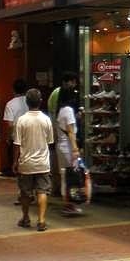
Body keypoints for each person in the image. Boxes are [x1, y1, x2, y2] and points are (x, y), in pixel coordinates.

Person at [13, 89, 54, 232]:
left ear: (26, 102)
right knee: (42, 191)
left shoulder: (21, 120)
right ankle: (42, 220)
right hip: (43, 163)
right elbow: (49, 142)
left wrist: (15, 161)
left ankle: (25, 218)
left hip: (26, 163)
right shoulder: (46, 119)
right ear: (41, 101)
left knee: (25, 193)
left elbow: (17, 144)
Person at [56, 86, 82, 215]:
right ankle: (71, 204)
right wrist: (75, 149)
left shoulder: (60, 111)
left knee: (64, 176)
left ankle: (67, 204)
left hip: (61, 146)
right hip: (68, 148)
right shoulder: (69, 110)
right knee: (72, 177)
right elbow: (71, 131)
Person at [3, 78, 29, 176]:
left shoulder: (10, 104)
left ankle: (16, 172)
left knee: (16, 157)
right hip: (29, 134)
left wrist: (8, 137)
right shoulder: (30, 101)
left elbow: (10, 125)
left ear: (13, 90)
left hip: (16, 136)